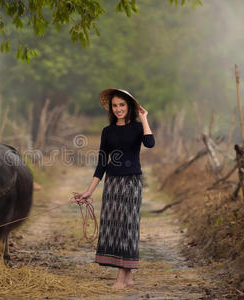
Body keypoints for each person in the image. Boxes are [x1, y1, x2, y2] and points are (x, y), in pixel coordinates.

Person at [74, 88, 155, 289]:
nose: (118, 109)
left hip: (132, 182)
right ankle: (127, 277)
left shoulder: (138, 127)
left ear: (129, 107)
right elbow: (101, 164)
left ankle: (121, 279)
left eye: (122, 105)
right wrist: (89, 191)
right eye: (115, 106)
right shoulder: (107, 131)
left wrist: (144, 118)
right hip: (112, 184)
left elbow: (150, 143)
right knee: (115, 226)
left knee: (128, 226)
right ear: (111, 108)